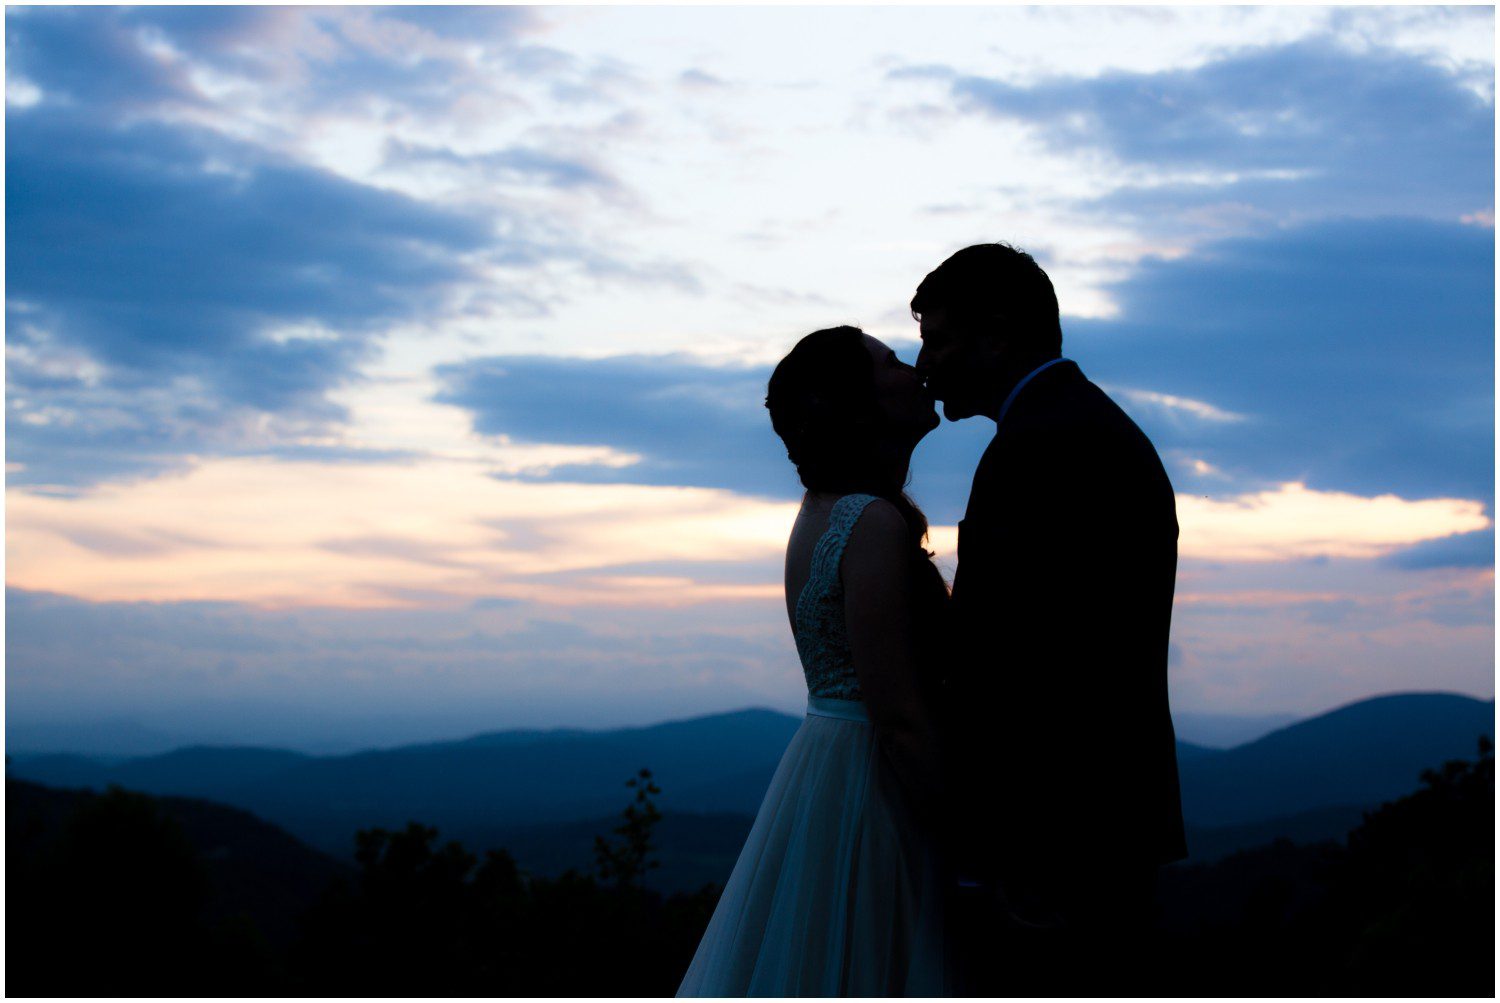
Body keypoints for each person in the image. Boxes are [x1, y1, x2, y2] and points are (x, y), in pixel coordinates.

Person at [911, 243, 1187, 994]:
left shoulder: (1038, 447)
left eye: (937, 338)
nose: (924, 362)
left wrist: (1006, 853)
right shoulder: (1084, 428)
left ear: (997, 334)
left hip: (1060, 838)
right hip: (1102, 824)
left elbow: (1019, 668)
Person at [677, 325, 953, 996]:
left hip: (829, 769)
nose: (914, 368)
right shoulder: (871, 523)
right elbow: (900, 720)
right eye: (890, 361)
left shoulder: (824, 514)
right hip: (877, 792)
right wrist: (976, 843)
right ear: (858, 404)